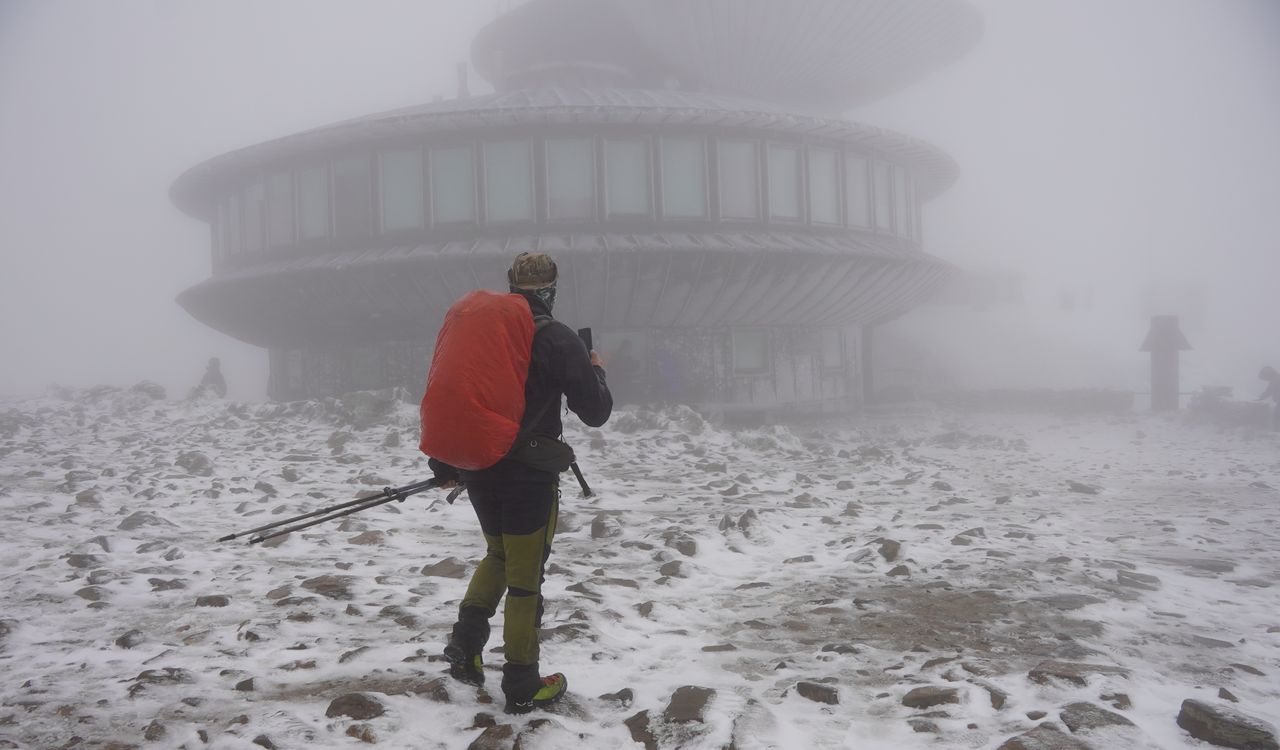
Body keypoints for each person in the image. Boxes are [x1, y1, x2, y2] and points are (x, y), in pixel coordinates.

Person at [428, 252, 612, 714]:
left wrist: (445, 462)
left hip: (480, 465)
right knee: (526, 577)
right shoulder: (556, 337)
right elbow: (595, 412)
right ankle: (522, 682)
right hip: (529, 474)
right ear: (552, 288)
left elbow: (458, 393)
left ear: (512, 285)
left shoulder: (485, 334)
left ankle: (465, 646)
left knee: (499, 553)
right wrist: (596, 370)